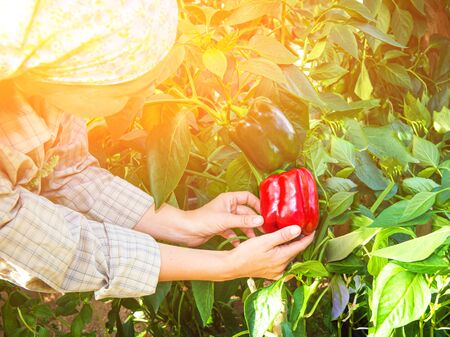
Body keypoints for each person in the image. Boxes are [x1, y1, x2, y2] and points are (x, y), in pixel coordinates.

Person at [0, 0, 314, 300]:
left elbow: (69, 174)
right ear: (62, 78)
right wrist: (225, 266)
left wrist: (184, 224)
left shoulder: (46, 85)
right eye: (125, 94)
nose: (145, 100)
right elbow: (52, 247)